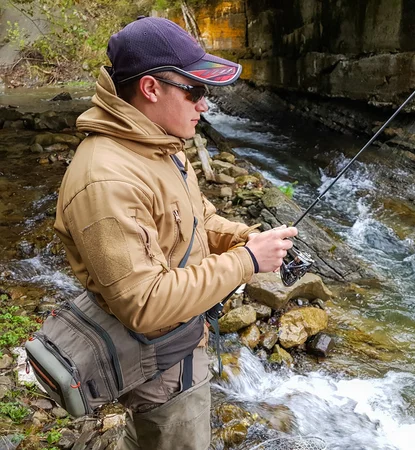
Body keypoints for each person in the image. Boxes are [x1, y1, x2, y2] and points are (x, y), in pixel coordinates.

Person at [54, 16, 297, 450]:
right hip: (157, 365)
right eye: (195, 91)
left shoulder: (159, 144)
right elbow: (145, 305)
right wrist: (247, 261)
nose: (204, 105)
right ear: (150, 88)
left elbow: (197, 218)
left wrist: (248, 236)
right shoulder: (106, 180)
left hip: (181, 339)